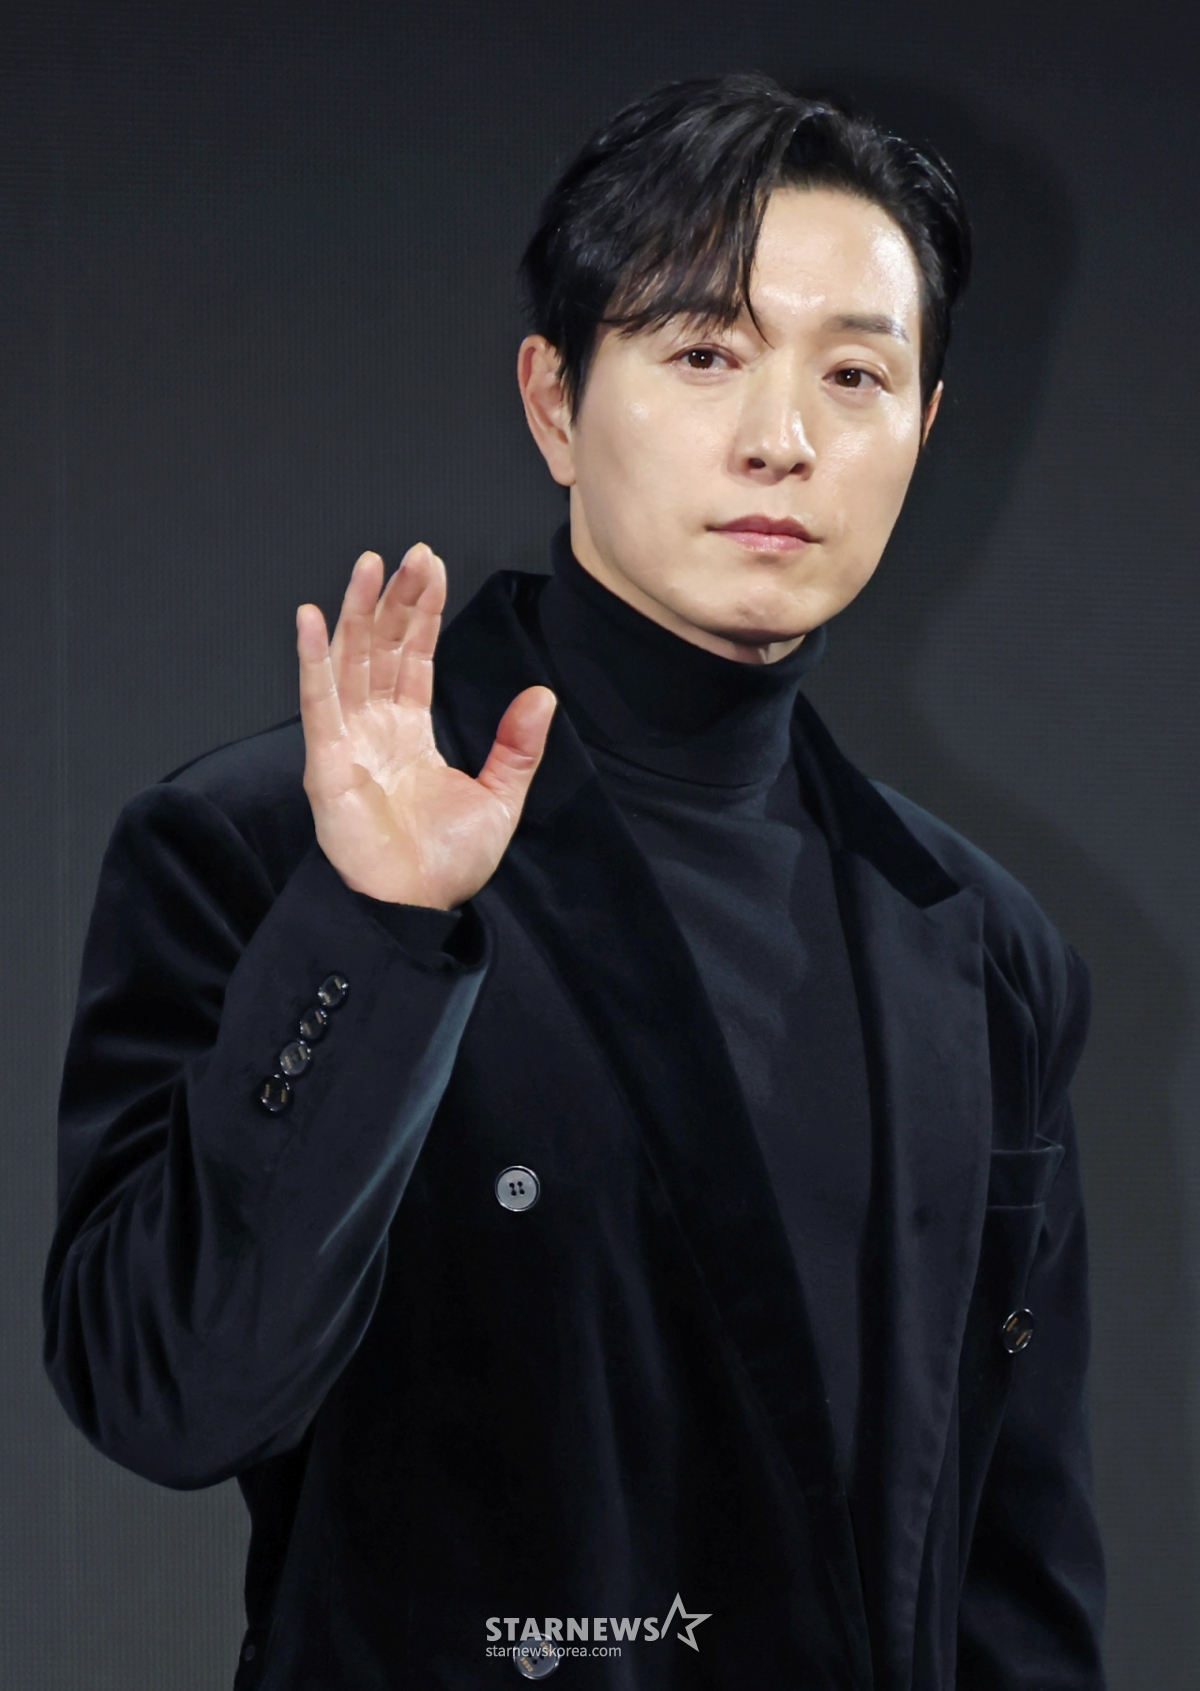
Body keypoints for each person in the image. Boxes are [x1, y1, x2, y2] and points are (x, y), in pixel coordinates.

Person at [43, 73, 1107, 1689]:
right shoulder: (265, 848)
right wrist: (374, 928)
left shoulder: (984, 950)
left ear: (926, 427)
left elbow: (1017, 1581)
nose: (784, 439)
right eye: (704, 353)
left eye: (855, 375)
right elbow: (166, 1397)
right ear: (555, 400)